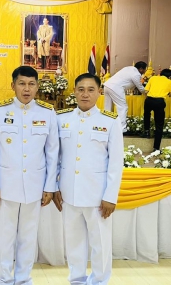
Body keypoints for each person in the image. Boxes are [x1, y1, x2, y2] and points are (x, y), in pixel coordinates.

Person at [0, 66, 58, 285]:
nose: (26, 89)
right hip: (5, 186)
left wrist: (49, 187)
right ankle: (4, 280)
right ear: (13, 86)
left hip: (35, 187)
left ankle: (24, 279)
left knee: (28, 237)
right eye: (22, 83)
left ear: (37, 86)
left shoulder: (47, 113)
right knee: (6, 238)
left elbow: (52, 152)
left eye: (31, 84)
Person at [53, 73, 123, 285]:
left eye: (91, 89)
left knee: (100, 243)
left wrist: (110, 196)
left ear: (99, 92)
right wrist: (55, 186)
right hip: (69, 193)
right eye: (81, 89)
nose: (85, 94)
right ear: (74, 92)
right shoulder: (61, 119)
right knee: (74, 242)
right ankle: (77, 280)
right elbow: (55, 157)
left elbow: (116, 162)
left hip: (97, 194)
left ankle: (100, 281)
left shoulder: (109, 121)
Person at [103, 62, 147, 132]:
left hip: (107, 86)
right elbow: (140, 87)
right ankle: (122, 129)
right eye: (145, 69)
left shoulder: (128, 68)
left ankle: (105, 126)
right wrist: (147, 92)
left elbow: (131, 84)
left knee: (108, 108)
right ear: (141, 69)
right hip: (116, 88)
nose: (145, 72)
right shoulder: (136, 74)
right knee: (122, 107)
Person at [143, 68, 171, 151]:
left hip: (149, 100)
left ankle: (146, 130)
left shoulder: (153, 78)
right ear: (169, 76)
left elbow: (146, 90)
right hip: (159, 102)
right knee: (159, 125)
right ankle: (156, 148)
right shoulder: (169, 82)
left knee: (146, 114)